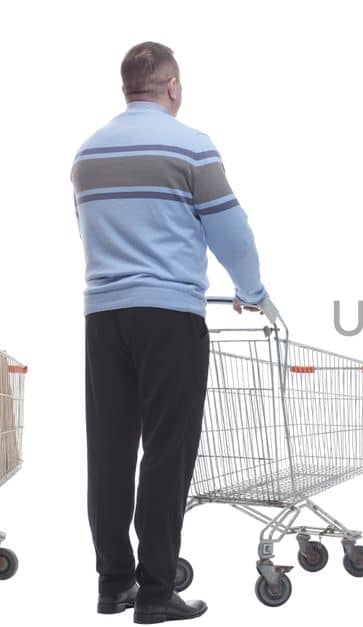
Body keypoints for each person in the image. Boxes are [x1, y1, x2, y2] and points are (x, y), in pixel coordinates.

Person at [71, 41, 272, 625]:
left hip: (103, 314)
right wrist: (252, 291)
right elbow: (232, 233)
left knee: (108, 449)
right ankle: (157, 591)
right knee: (166, 449)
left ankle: (113, 584)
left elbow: (87, 231)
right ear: (172, 87)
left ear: (126, 88)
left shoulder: (87, 153)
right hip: (169, 314)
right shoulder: (191, 146)